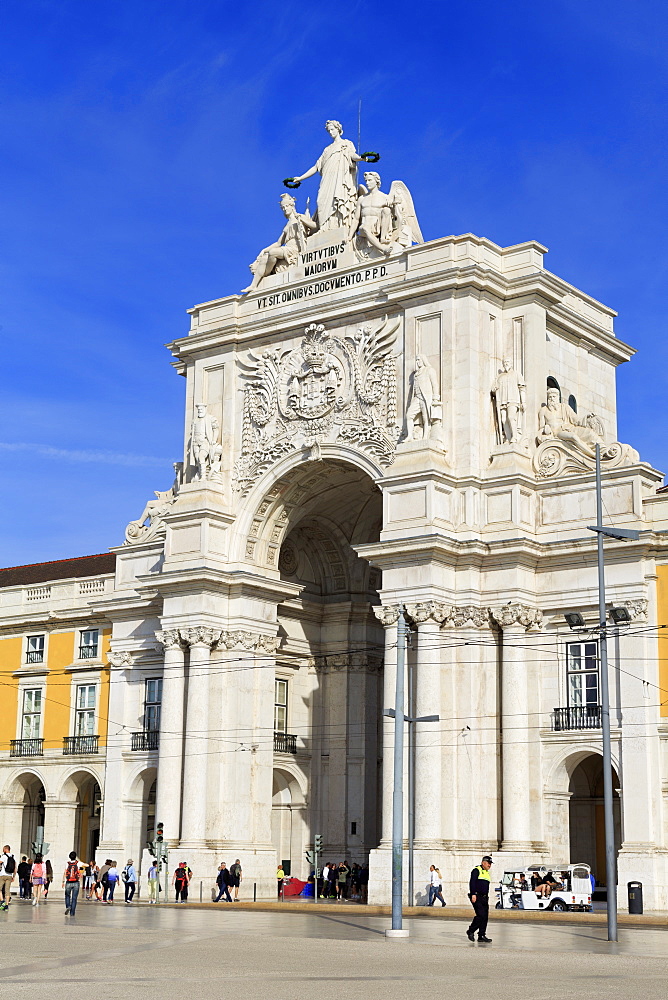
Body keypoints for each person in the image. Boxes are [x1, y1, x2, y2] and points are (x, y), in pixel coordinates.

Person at [290, 120, 363, 232]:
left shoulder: (346, 143)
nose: (331, 132)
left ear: (338, 129)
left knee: (339, 198)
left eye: (332, 129)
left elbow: (352, 155)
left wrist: (362, 158)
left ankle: (339, 226)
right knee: (321, 201)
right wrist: (300, 178)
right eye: (329, 130)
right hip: (327, 179)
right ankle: (325, 228)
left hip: (340, 178)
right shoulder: (327, 149)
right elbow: (316, 167)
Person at [466, 855, 493, 943]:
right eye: (488, 863)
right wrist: (473, 894)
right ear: (483, 863)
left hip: (485, 897)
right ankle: (470, 930)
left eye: (490, 864)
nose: (490, 865)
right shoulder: (476, 870)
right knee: (480, 915)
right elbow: (472, 882)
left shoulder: (487, 872)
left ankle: (481, 935)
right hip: (477, 896)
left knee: (485, 917)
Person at [62, 851, 81, 916]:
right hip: (76, 882)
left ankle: (68, 906)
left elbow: (65, 873)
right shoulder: (78, 863)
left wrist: (63, 881)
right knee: (74, 898)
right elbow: (87, 865)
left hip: (68, 882)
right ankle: (72, 913)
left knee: (67, 896)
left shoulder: (67, 864)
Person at [0, 845, 16, 910]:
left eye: (3, 849)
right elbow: (15, 868)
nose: (3, 850)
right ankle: (6, 905)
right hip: (9, 875)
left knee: (0, 889)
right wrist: (13, 876)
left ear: (6, 849)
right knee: (7, 890)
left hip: (3, 875)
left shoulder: (4, 856)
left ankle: (2, 901)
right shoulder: (12, 857)